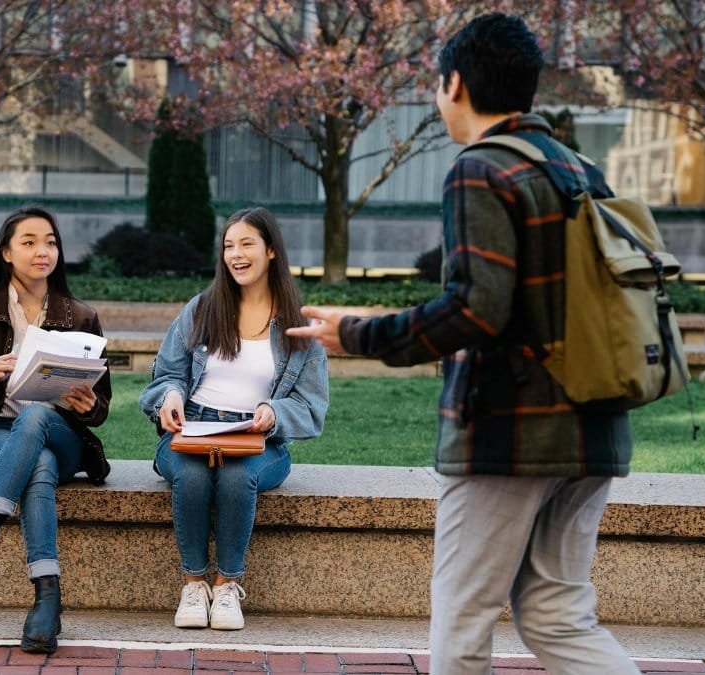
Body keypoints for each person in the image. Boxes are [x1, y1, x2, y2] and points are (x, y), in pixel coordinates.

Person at [288, 13, 641, 675]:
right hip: (596, 427)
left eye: (436, 85)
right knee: (556, 612)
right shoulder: (581, 170)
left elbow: (476, 310)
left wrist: (357, 332)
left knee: (461, 616)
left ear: (455, 83)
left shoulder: (480, 169)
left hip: (510, 433)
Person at [0, 205, 112, 654]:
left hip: (60, 433)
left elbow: (101, 405)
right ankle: (48, 597)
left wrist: (88, 404)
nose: (42, 251)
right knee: (39, 465)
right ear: (6, 252)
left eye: (50, 241)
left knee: (36, 419)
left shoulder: (81, 317)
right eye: (29, 242)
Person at [140, 206, 329, 631]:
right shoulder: (201, 309)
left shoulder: (300, 325)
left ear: (272, 252)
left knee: (234, 476)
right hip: (193, 428)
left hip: (259, 439)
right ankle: (193, 583)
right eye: (229, 245)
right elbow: (167, 374)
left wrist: (273, 412)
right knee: (190, 475)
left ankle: (226, 586)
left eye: (247, 244)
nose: (236, 254)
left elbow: (312, 407)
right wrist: (170, 397)